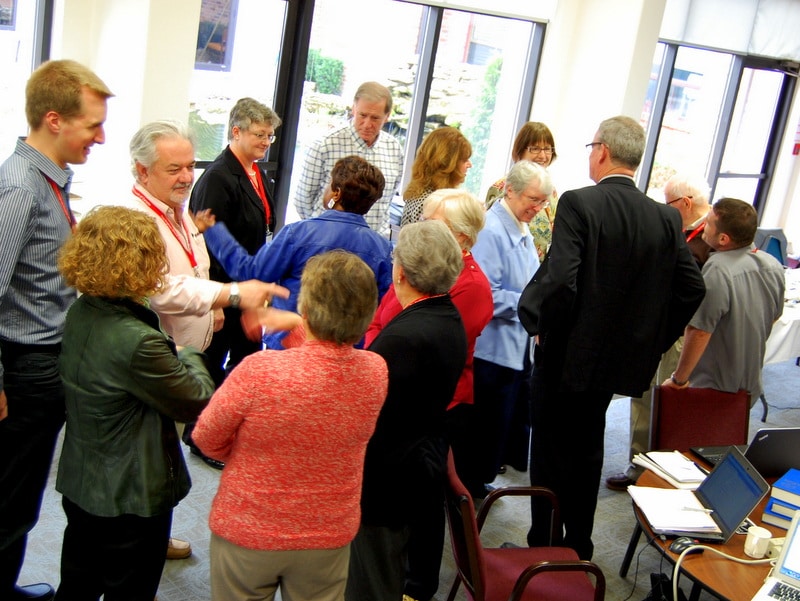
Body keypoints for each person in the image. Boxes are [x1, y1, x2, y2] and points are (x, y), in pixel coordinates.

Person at [517, 115, 706, 560]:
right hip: (615, 363)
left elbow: (562, 279)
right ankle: (578, 547)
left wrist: (540, 324)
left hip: (565, 356)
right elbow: (692, 288)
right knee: (587, 451)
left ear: (601, 151)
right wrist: (651, 339)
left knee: (548, 454)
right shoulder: (664, 216)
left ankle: (541, 549)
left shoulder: (580, 203)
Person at [192, 251, 389, 601]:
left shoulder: (260, 371)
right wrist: (299, 326)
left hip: (249, 529)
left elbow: (206, 439)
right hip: (327, 535)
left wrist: (247, 453)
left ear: (307, 308)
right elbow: (326, 364)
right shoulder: (375, 372)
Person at [54, 206, 216, 601]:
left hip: (82, 480)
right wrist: (185, 351)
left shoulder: (80, 311)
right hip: (131, 495)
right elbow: (197, 400)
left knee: (78, 581)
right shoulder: (137, 340)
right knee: (131, 588)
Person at [0, 59, 112, 601]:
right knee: (9, 499)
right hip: (24, 367)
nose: (101, 135)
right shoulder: (20, 187)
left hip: (43, 361)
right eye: (92, 124)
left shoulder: (49, 180)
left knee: (19, 500)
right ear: (53, 120)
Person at [364, 189, 492, 600]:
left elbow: (387, 342)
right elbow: (380, 321)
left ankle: (417, 586)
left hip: (408, 438)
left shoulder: (454, 297)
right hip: (411, 415)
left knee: (386, 555)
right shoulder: (435, 303)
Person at [346, 220, 467, 601]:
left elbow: (364, 406)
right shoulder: (446, 314)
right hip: (413, 459)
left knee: (372, 580)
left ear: (400, 271)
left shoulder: (404, 336)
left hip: (387, 478)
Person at [195, 155, 393, 350]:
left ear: (336, 193)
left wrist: (214, 232)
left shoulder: (298, 234)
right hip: (348, 351)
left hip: (291, 344)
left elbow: (251, 272)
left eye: (329, 183)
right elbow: (381, 309)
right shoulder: (382, 249)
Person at [607, 172, 714, 491]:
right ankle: (644, 464)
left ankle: (649, 470)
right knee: (647, 396)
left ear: (685, 203)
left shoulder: (707, 237)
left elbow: (695, 290)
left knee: (660, 399)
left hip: (679, 331)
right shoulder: (688, 230)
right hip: (670, 327)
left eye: (667, 204)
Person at [470, 160, 551, 496]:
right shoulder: (491, 229)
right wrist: (533, 305)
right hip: (493, 348)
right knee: (486, 424)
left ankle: (480, 479)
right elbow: (486, 293)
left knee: (501, 424)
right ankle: (472, 485)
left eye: (543, 201)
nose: (538, 208)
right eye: (533, 199)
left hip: (517, 345)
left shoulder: (521, 225)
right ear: (509, 191)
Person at [189, 97, 282, 384]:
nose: (266, 142)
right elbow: (205, 245)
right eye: (259, 134)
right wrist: (215, 302)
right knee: (210, 374)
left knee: (245, 371)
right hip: (224, 293)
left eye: (269, 135)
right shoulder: (218, 177)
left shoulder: (256, 171)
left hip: (248, 289)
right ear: (236, 132)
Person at [662, 198, 785, 405]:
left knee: (695, 435)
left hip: (713, 384)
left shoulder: (718, 268)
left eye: (708, 223)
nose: (703, 228)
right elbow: (775, 315)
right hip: (750, 380)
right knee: (730, 434)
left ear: (723, 239)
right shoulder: (773, 264)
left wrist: (678, 378)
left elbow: (700, 330)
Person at [294, 81, 403, 237]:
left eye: (375, 118)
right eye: (362, 115)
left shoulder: (394, 148)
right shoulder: (326, 144)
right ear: (353, 109)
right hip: (328, 242)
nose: (367, 124)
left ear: (387, 116)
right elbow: (303, 200)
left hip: (372, 245)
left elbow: (387, 200)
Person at [485, 122, 560, 262]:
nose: (543, 156)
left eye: (547, 149)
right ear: (520, 151)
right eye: (535, 149)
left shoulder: (551, 190)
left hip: (540, 267)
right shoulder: (502, 186)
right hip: (510, 261)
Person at [399, 127, 472, 226]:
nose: (470, 165)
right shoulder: (432, 206)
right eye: (464, 160)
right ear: (448, 165)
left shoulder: (422, 195)